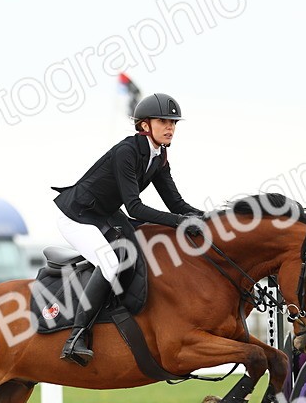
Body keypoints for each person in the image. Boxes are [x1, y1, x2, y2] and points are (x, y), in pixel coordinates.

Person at [51, 92, 206, 365]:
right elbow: (134, 207)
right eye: (163, 121)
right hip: (76, 214)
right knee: (111, 262)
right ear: (145, 125)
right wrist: (181, 223)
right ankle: (76, 338)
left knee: (143, 247)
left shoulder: (159, 157)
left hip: (105, 213)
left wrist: (209, 218)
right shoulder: (127, 151)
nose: (170, 127)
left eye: (173, 122)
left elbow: (176, 203)